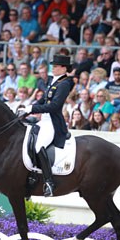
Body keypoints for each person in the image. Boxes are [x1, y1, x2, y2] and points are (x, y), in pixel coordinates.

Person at [18, 55, 74, 197]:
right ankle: (30, 177)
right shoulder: (55, 81)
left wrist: (33, 110)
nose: (53, 68)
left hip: (53, 123)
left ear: (64, 68)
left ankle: (49, 182)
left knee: (38, 147)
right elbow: (44, 99)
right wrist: (28, 108)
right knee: (27, 143)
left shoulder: (65, 83)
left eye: (55, 66)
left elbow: (54, 106)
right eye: (53, 66)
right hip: (44, 120)